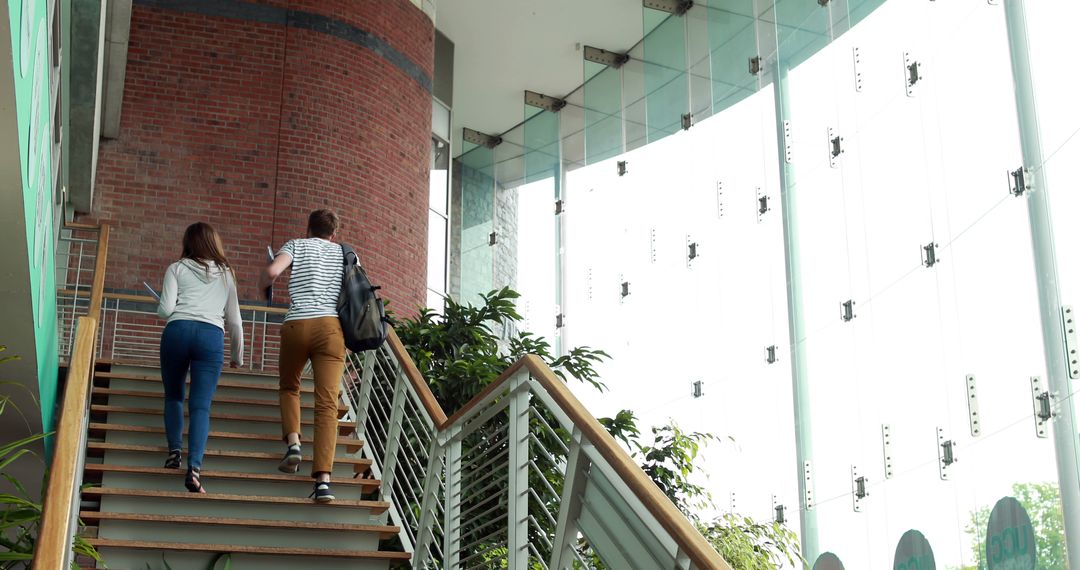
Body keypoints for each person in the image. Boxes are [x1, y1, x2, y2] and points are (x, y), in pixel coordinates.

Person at [259, 209, 346, 502]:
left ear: (308, 228)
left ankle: (294, 444)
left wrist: (263, 286)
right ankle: (323, 481)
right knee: (327, 404)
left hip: (297, 324)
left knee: (289, 386)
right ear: (334, 233)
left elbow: (272, 272)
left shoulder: (296, 244)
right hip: (331, 329)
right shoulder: (346, 253)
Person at [156, 222, 243, 493]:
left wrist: (163, 307)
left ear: (188, 242)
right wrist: (237, 356)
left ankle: (174, 453)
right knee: (200, 406)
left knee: (173, 395)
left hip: (178, 331)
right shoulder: (227, 275)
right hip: (211, 337)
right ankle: (194, 469)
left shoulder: (176, 268)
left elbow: (166, 309)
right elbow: (235, 321)